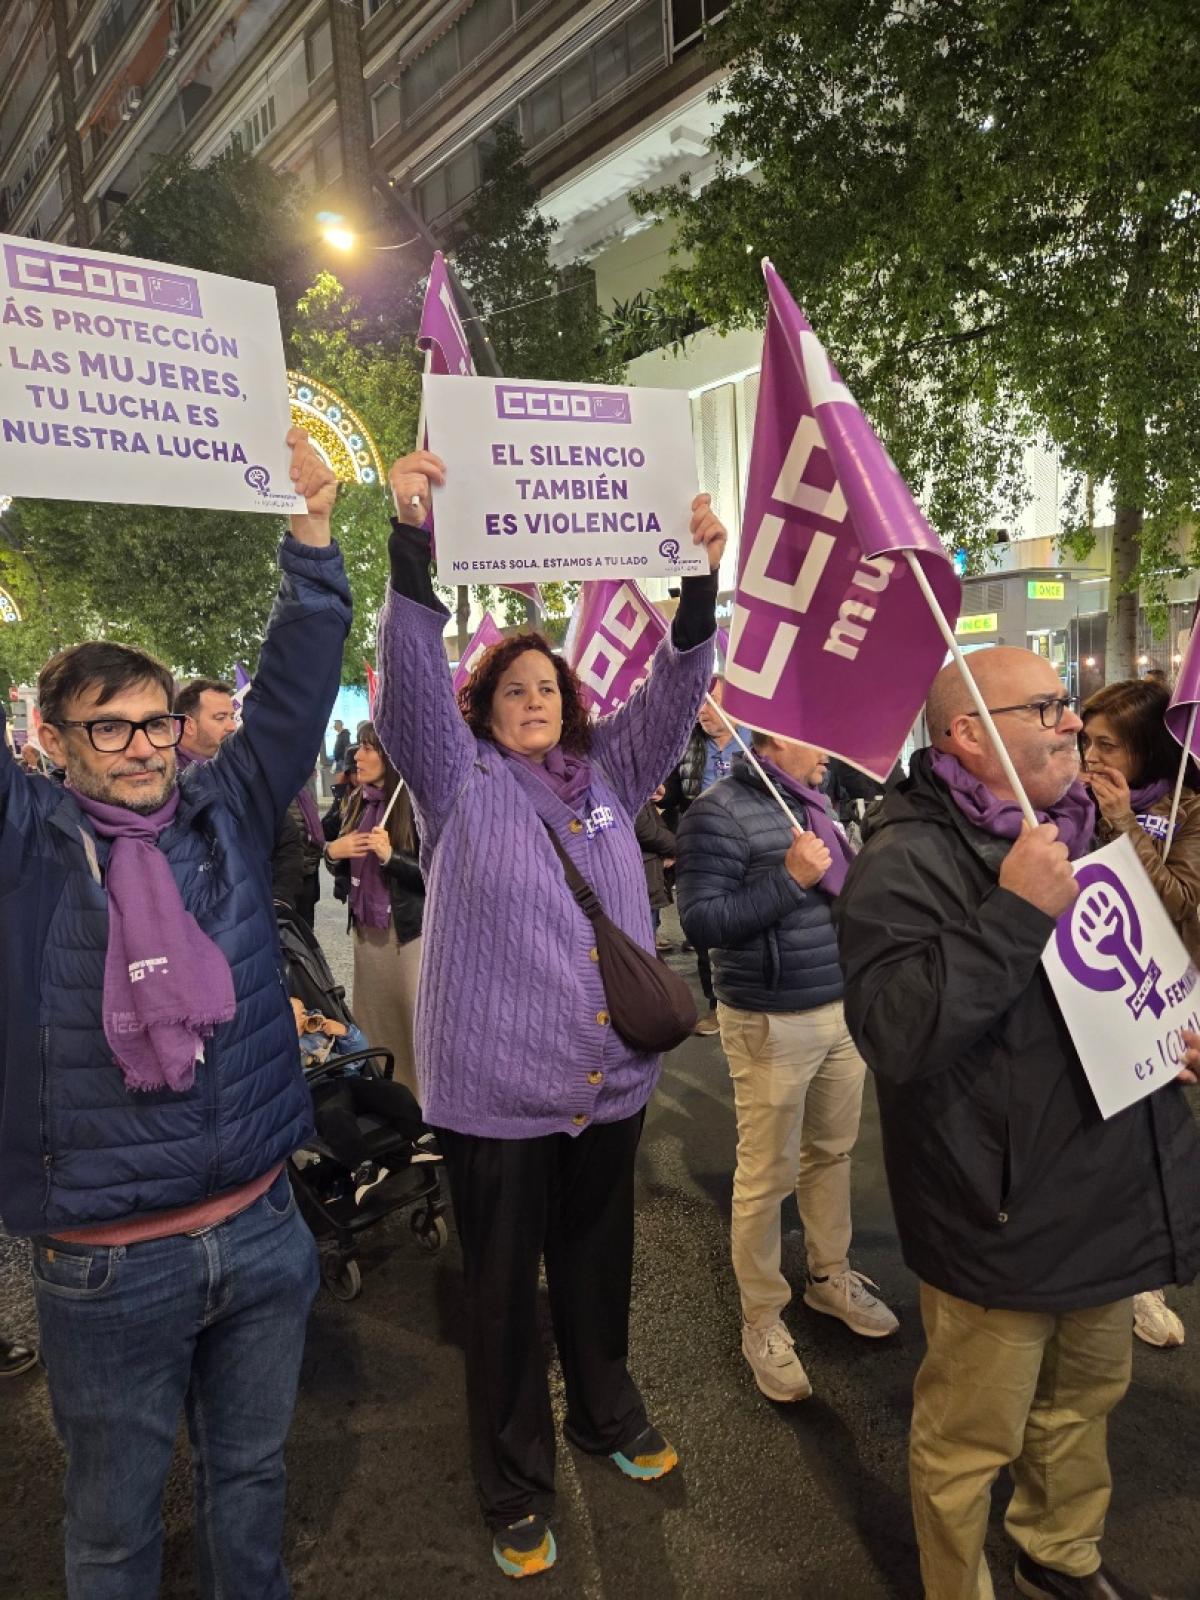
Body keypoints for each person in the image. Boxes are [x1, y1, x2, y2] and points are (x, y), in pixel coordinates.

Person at [0, 429, 348, 1600]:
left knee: (250, 1479)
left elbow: (298, 690)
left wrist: (312, 539)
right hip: (107, 1263)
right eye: (110, 726)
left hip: (258, 1226)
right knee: (110, 1521)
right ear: (52, 738)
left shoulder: (225, 810)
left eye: (156, 721)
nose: (144, 746)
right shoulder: (25, 843)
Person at [378, 449, 724, 1579]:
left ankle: (605, 1411)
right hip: (498, 1098)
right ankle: (515, 1480)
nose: (539, 702)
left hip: (610, 1087)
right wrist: (414, 537)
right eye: (515, 689)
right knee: (501, 1296)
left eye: (552, 689)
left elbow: (674, 696)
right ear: (482, 708)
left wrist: (699, 586)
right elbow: (411, 676)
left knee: (595, 1265)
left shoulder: (612, 777)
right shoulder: (455, 778)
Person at [835, 646, 1200, 1600]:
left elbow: (1136, 983)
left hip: (1112, 1182)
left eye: (1068, 705)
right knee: (970, 1439)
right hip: (997, 1204)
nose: (1074, 723)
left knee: (1085, 1403)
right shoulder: (906, 854)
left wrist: (1182, 1036)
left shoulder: (1091, 829)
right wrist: (1012, 914)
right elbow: (898, 1033)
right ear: (970, 734)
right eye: (1047, 708)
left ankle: (1058, 1554)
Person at [676, 731, 897, 1405]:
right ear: (772, 742)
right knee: (766, 1174)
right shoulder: (715, 812)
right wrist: (789, 878)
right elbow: (702, 922)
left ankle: (829, 1278)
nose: (828, 751)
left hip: (839, 1007)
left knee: (830, 1153)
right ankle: (762, 1319)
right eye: (815, 741)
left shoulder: (814, 799)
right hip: (770, 1018)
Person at [1081, 677, 1200, 1350]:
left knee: (1154, 1141)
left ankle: (1143, 1285)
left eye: (1107, 744)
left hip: (1160, 996)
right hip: (1089, 994)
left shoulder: (1188, 808)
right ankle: (1099, 1265)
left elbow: (1179, 901)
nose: (1091, 757)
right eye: (1085, 741)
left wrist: (1124, 824)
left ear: (1148, 747)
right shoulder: (1076, 799)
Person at [324, 722, 424, 1098]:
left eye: (369, 749)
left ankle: (423, 1104)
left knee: (411, 1021)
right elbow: (330, 854)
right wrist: (332, 853)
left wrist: (391, 857)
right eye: (359, 748)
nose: (357, 756)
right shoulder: (355, 800)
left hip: (406, 936)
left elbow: (439, 876)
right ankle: (389, 1097)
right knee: (375, 1020)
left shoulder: (415, 805)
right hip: (366, 931)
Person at [662, 679, 751, 1035]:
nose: (702, 710)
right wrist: (662, 794)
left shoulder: (755, 746)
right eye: (699, 703)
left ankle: (747, 999)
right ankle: (717, 1006)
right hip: (702, 854)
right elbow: (672, 793)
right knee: (704, 932)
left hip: (750, 853)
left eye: (710, 702)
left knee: (748, 928)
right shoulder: (687, 747)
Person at [634, 786, 676, 950]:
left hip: (651, 864)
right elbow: (645, 830)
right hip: (644, 870)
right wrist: (678, 847)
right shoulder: (625, 785)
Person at [174, 677, 236, 766]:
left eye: (232, 717)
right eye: (220, 718)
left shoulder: (237, 763)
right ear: (188, 725)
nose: (233, 727)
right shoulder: (164, 772)